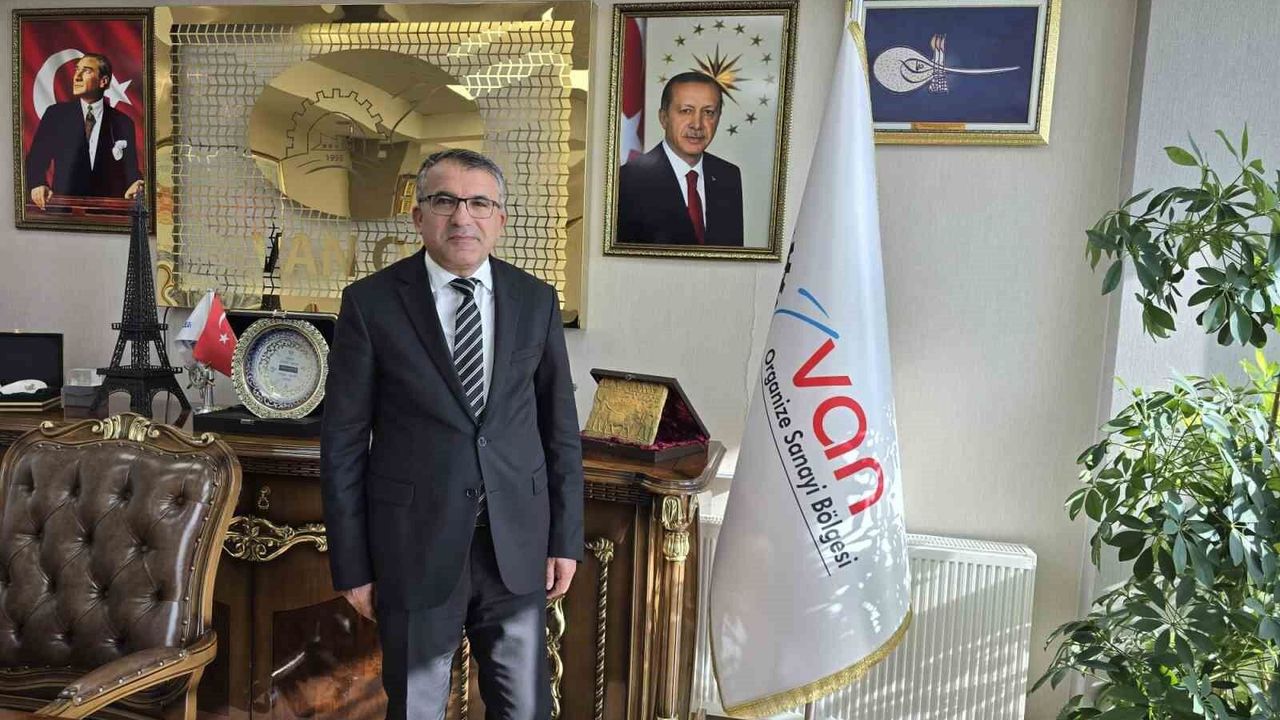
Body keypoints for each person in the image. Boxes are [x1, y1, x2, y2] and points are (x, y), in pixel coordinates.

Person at [321, 149, 584, 720]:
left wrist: (566, 539)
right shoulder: (370, 304)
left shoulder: (535, 301)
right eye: (445, 201)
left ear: (500, 219)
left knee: (525, 710)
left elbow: (559, 429)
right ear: (419, 216)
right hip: (412, 548)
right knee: (416, 709)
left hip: (516, 548)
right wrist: (353, 566)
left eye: (479, 203)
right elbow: (343, 444)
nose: (462, 217)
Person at [617, 71, 744, 246]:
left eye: (708, 112)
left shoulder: (728, 176)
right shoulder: (627, 181)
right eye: (686, 111)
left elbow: (732, 256)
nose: (697, 124)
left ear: (718, 118)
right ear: (664, 118)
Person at [25, 53, 143, 209]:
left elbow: (131, 171)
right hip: (64, 212)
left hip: (109, 213)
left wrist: (137, 185)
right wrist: (38, 184)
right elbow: (36, 161)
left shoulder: (123, 123)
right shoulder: (55, 115)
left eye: (86, 71)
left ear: (103, 81)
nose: (77, 77)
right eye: (77, 70)